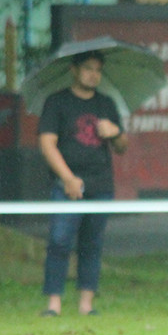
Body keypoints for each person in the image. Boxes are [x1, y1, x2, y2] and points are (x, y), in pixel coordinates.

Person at [38, 49, 127, 316]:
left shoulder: (106, 104)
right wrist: (67, 178)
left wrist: (116, 132)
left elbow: (122, 146)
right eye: (88, 68)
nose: (93, 75)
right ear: (74, 70)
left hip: (100, 184)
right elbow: (47, 144)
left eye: (98, 70)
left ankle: (86, 305)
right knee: (59, 241)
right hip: (66, 185)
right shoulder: (57, 102)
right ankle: (53, 304)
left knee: (92, 244)